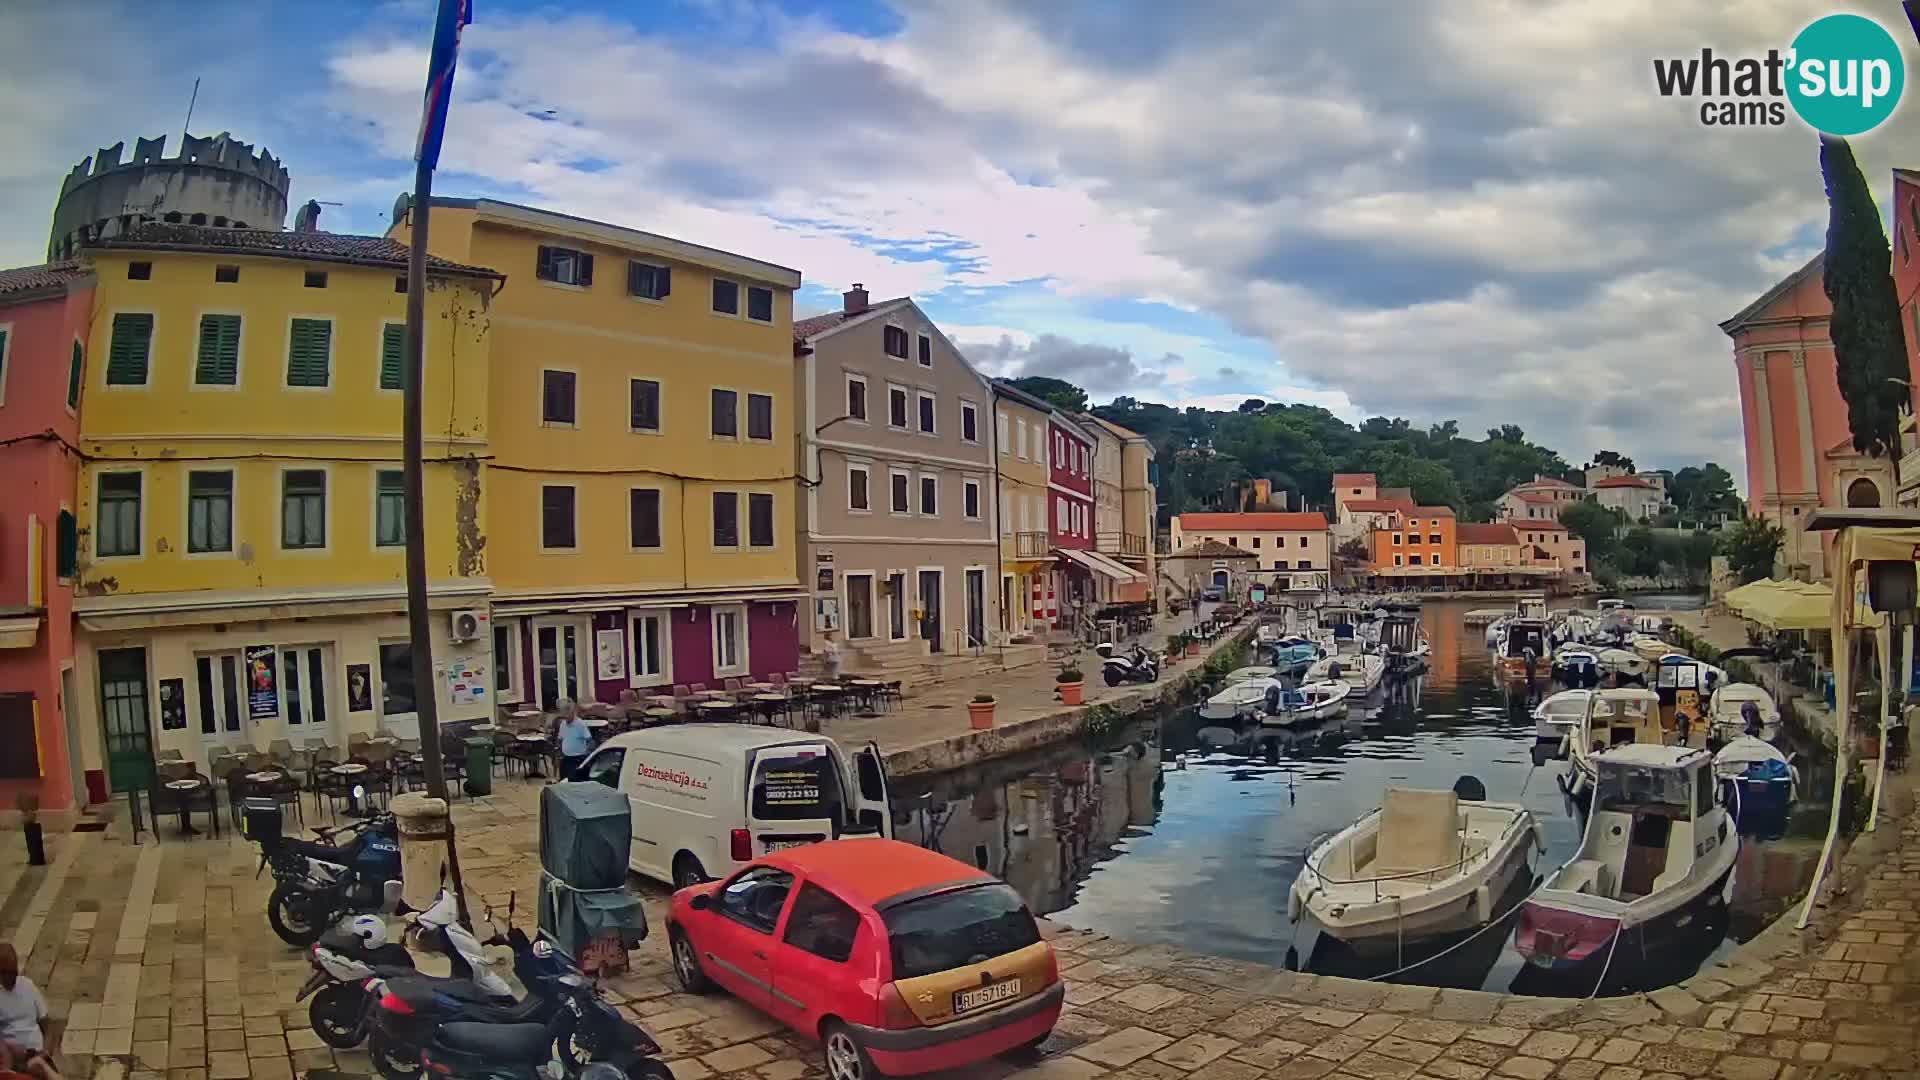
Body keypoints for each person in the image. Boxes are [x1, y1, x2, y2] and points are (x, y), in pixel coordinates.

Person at [0, 944, 59, 1080]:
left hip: (37, 1053)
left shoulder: (27, 985)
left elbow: (47, 1023)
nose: (12, 976)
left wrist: (46, 1050)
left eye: (14, 970)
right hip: (12, 1059)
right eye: (6, 972)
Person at [554, 700, 593, 783]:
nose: (565, 718)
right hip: (566, 758)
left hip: (578, 759)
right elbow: (560, 739)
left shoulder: (580, 724)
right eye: (564, 715)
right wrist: (558, 752)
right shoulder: (563, 724)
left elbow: (590, 741)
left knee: (574, 783)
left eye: (567, 715)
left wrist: (586, 756)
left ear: (573, 713)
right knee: (563, 782)